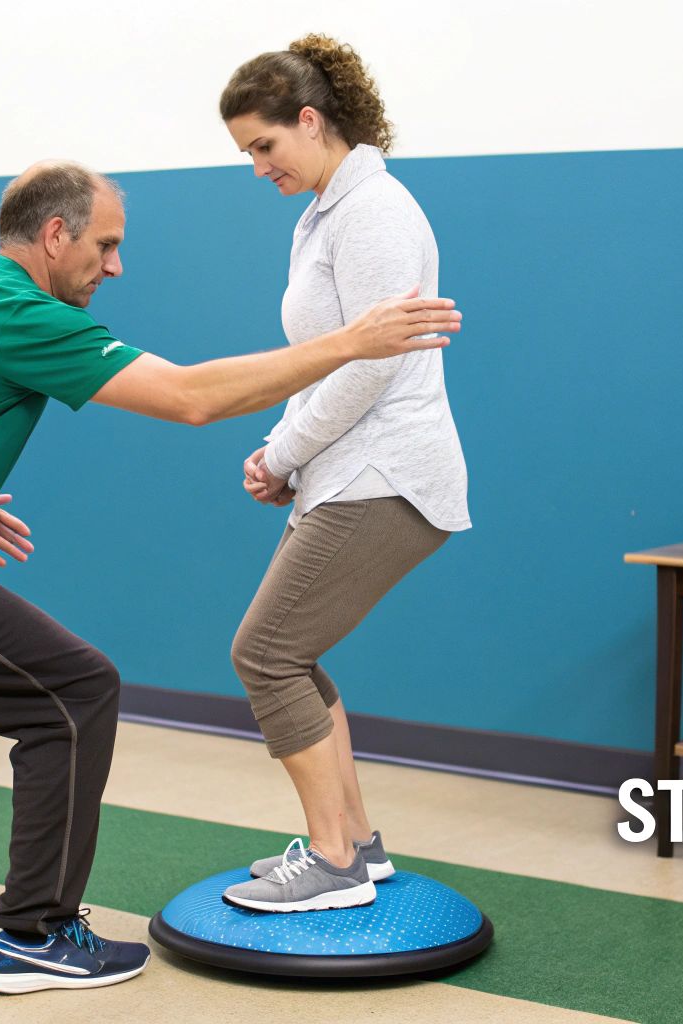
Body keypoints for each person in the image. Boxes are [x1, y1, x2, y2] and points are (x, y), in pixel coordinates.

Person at [0, 160, 461, 991]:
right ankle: (32, 934)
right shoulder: (22, 315)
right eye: (105, 246)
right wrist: (350, 343)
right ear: (54, 235)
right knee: (75, 692)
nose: (115, 267)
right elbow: (189, 397)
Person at [215, 36, 471, 914]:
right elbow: (326, 361)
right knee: (294, 653)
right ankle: (357, 845)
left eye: (263, 145)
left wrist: (284, 451)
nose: (255, 167)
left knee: (266, 653)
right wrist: (284, 450)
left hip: (387, 472)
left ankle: (331, 861)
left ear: (311, 121)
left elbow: (370, 367)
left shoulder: (376, 214)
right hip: (348, 468)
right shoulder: (328, 211)